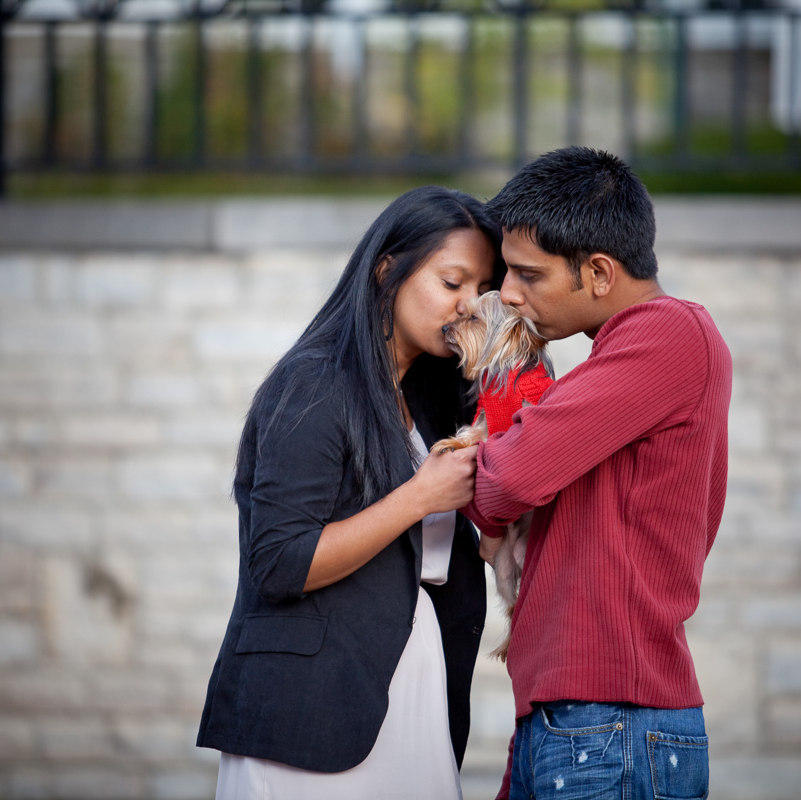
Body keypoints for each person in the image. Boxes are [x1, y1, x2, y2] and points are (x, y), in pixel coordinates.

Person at [196, 186, 503, 799]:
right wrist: (419, 497)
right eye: (452, 283)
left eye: (481, 290)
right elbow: (280, 561)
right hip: (310, 713)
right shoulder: (313, 385)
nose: (470, 305)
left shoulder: (426, 400)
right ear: (388, 269)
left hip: (406, 687)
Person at [463, 147, 733, 800]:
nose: (507, 294)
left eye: (528, 275)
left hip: (612, 725)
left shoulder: (669, 334)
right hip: (574, 722)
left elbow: (511, 479)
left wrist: (479, 460)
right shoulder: (616, 358)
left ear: (601, 272)